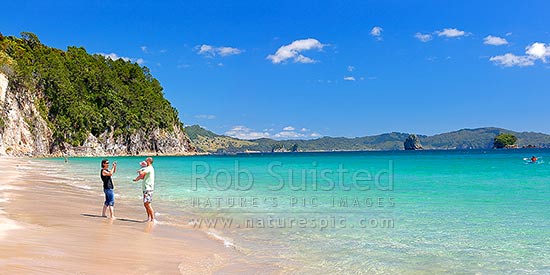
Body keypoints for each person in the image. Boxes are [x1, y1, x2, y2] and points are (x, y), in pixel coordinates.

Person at [134, 157, 155, 222]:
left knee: (148, 204)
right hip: (146, 188)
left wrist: (140, 171)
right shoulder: (148, 168)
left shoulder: (149, 168)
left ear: (149, 161)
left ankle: (153, 219)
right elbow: (142, 177)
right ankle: (149, 218)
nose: (145, 162)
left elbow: (141, 174)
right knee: (145, 204)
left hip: (148, 188)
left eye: (146, 161)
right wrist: (136, 179)